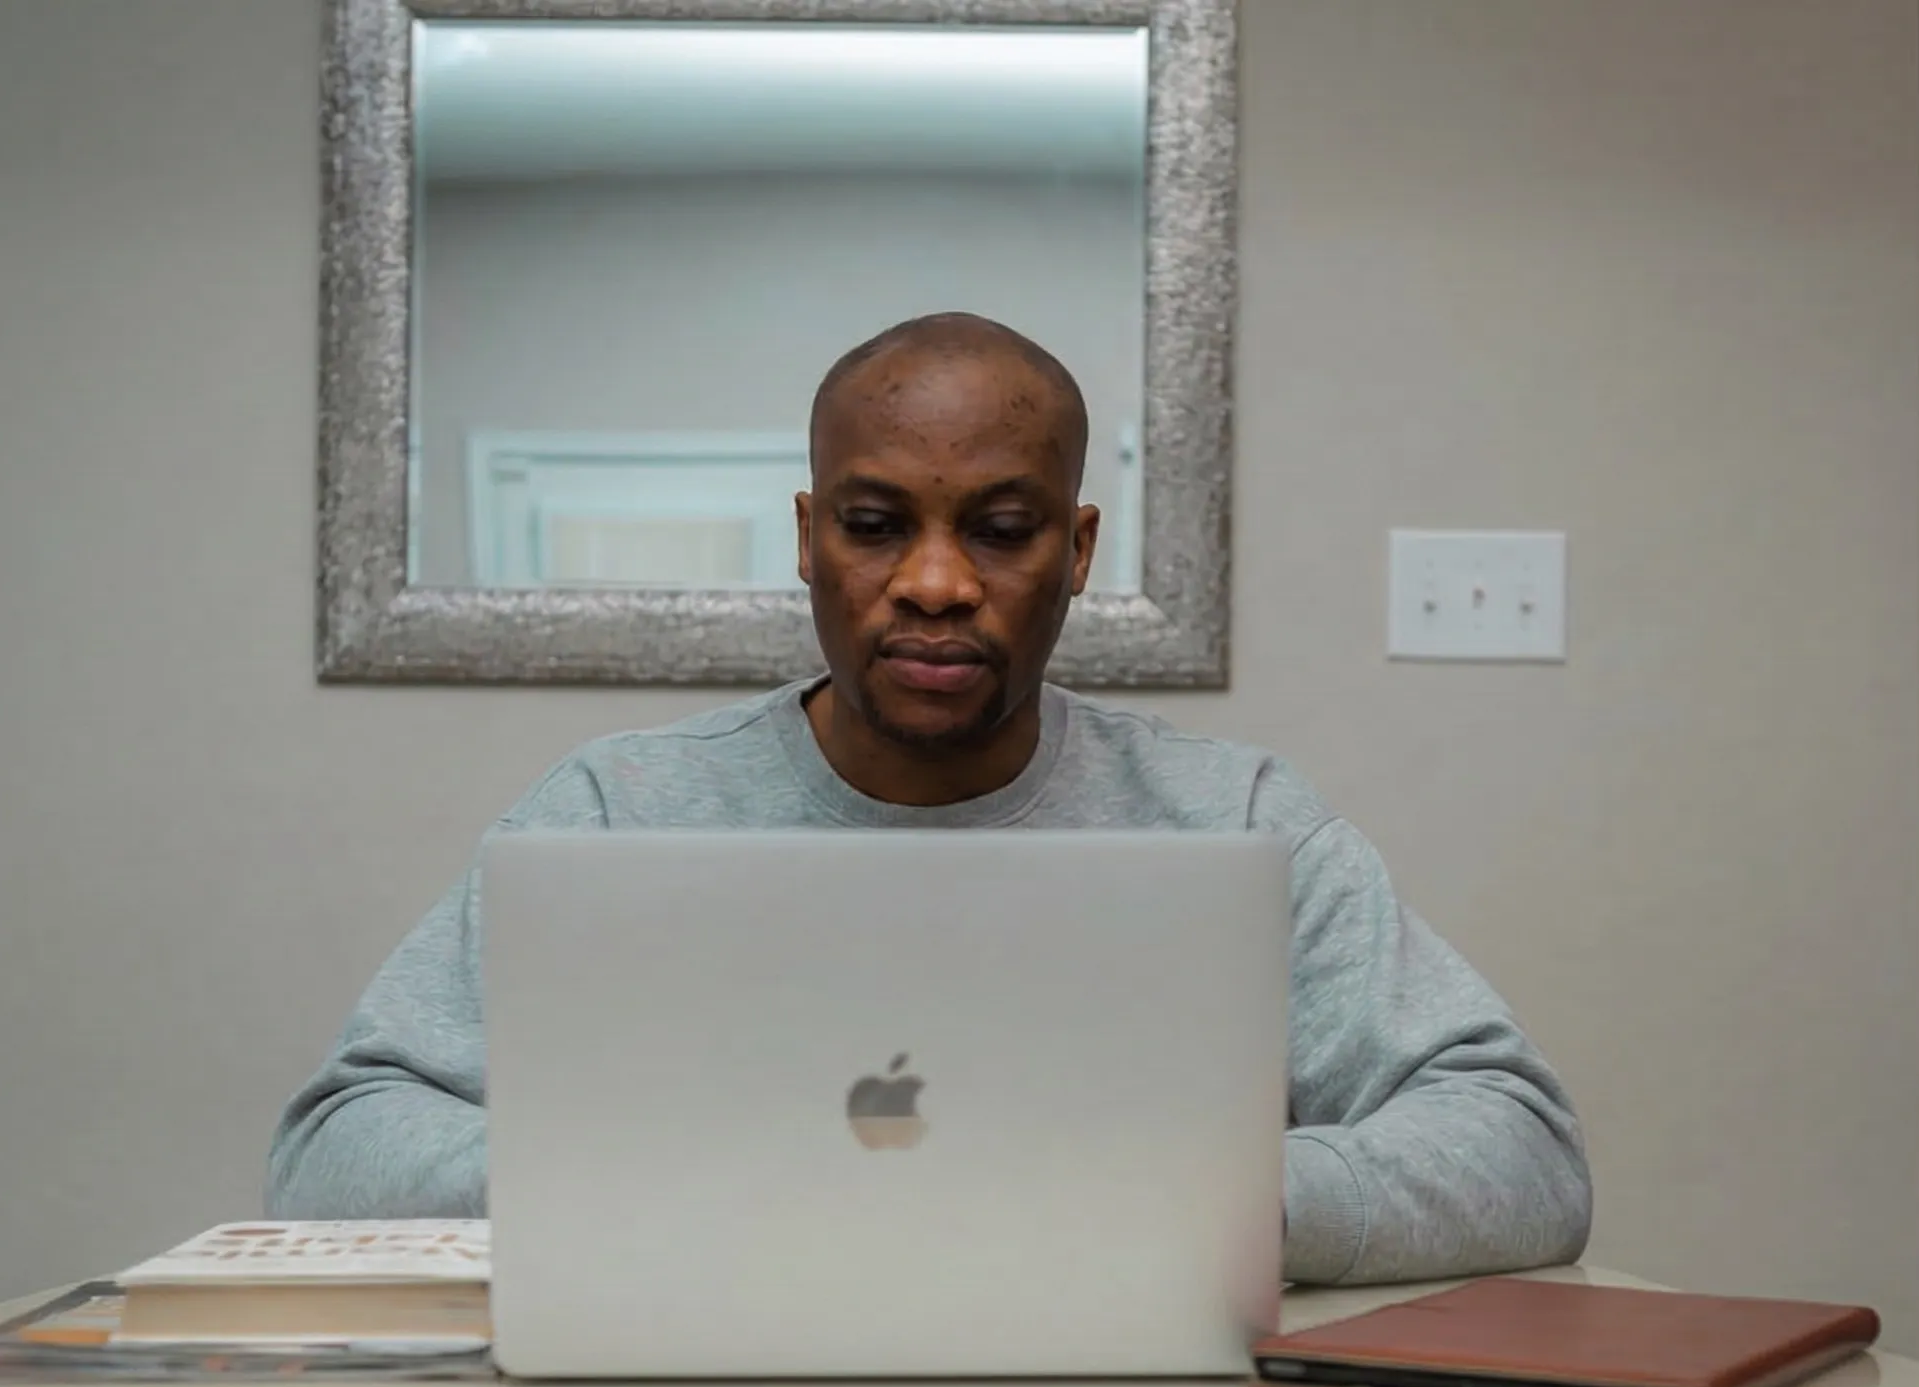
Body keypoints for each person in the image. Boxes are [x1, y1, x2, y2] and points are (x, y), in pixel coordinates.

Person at [268, 312, 1592, 1285]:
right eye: (874, 522)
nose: (938, 582)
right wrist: (676, 1192)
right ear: (806, 539)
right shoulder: (617, 810)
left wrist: (1188, 1203)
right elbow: (338, 1149)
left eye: (1003, 530)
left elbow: (1518, 1150)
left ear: (1074, 553)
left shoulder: (1239, 821)